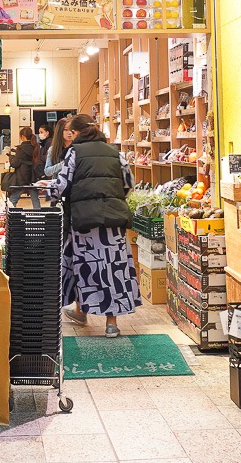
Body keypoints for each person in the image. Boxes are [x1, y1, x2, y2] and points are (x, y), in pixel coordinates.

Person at [51, 114, 139, 338]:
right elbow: (129, 184)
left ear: (78, 133)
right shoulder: (114, 152)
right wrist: (112, 197)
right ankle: (111, 324)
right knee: (114, 269)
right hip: (114, 221)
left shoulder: (74, 152)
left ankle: (82, 311)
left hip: (85, 222)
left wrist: (47, 188)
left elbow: (62, 185)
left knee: (86, 267)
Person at [6, 127, 41, 208]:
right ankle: (38, 215)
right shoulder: (36, 146)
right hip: (33, 176)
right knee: (35, 199)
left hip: (22, 176)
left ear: (23, 137)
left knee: (13, 198)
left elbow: (15, 164)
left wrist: (11, 157)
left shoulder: (21, 148)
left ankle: (11, 214)